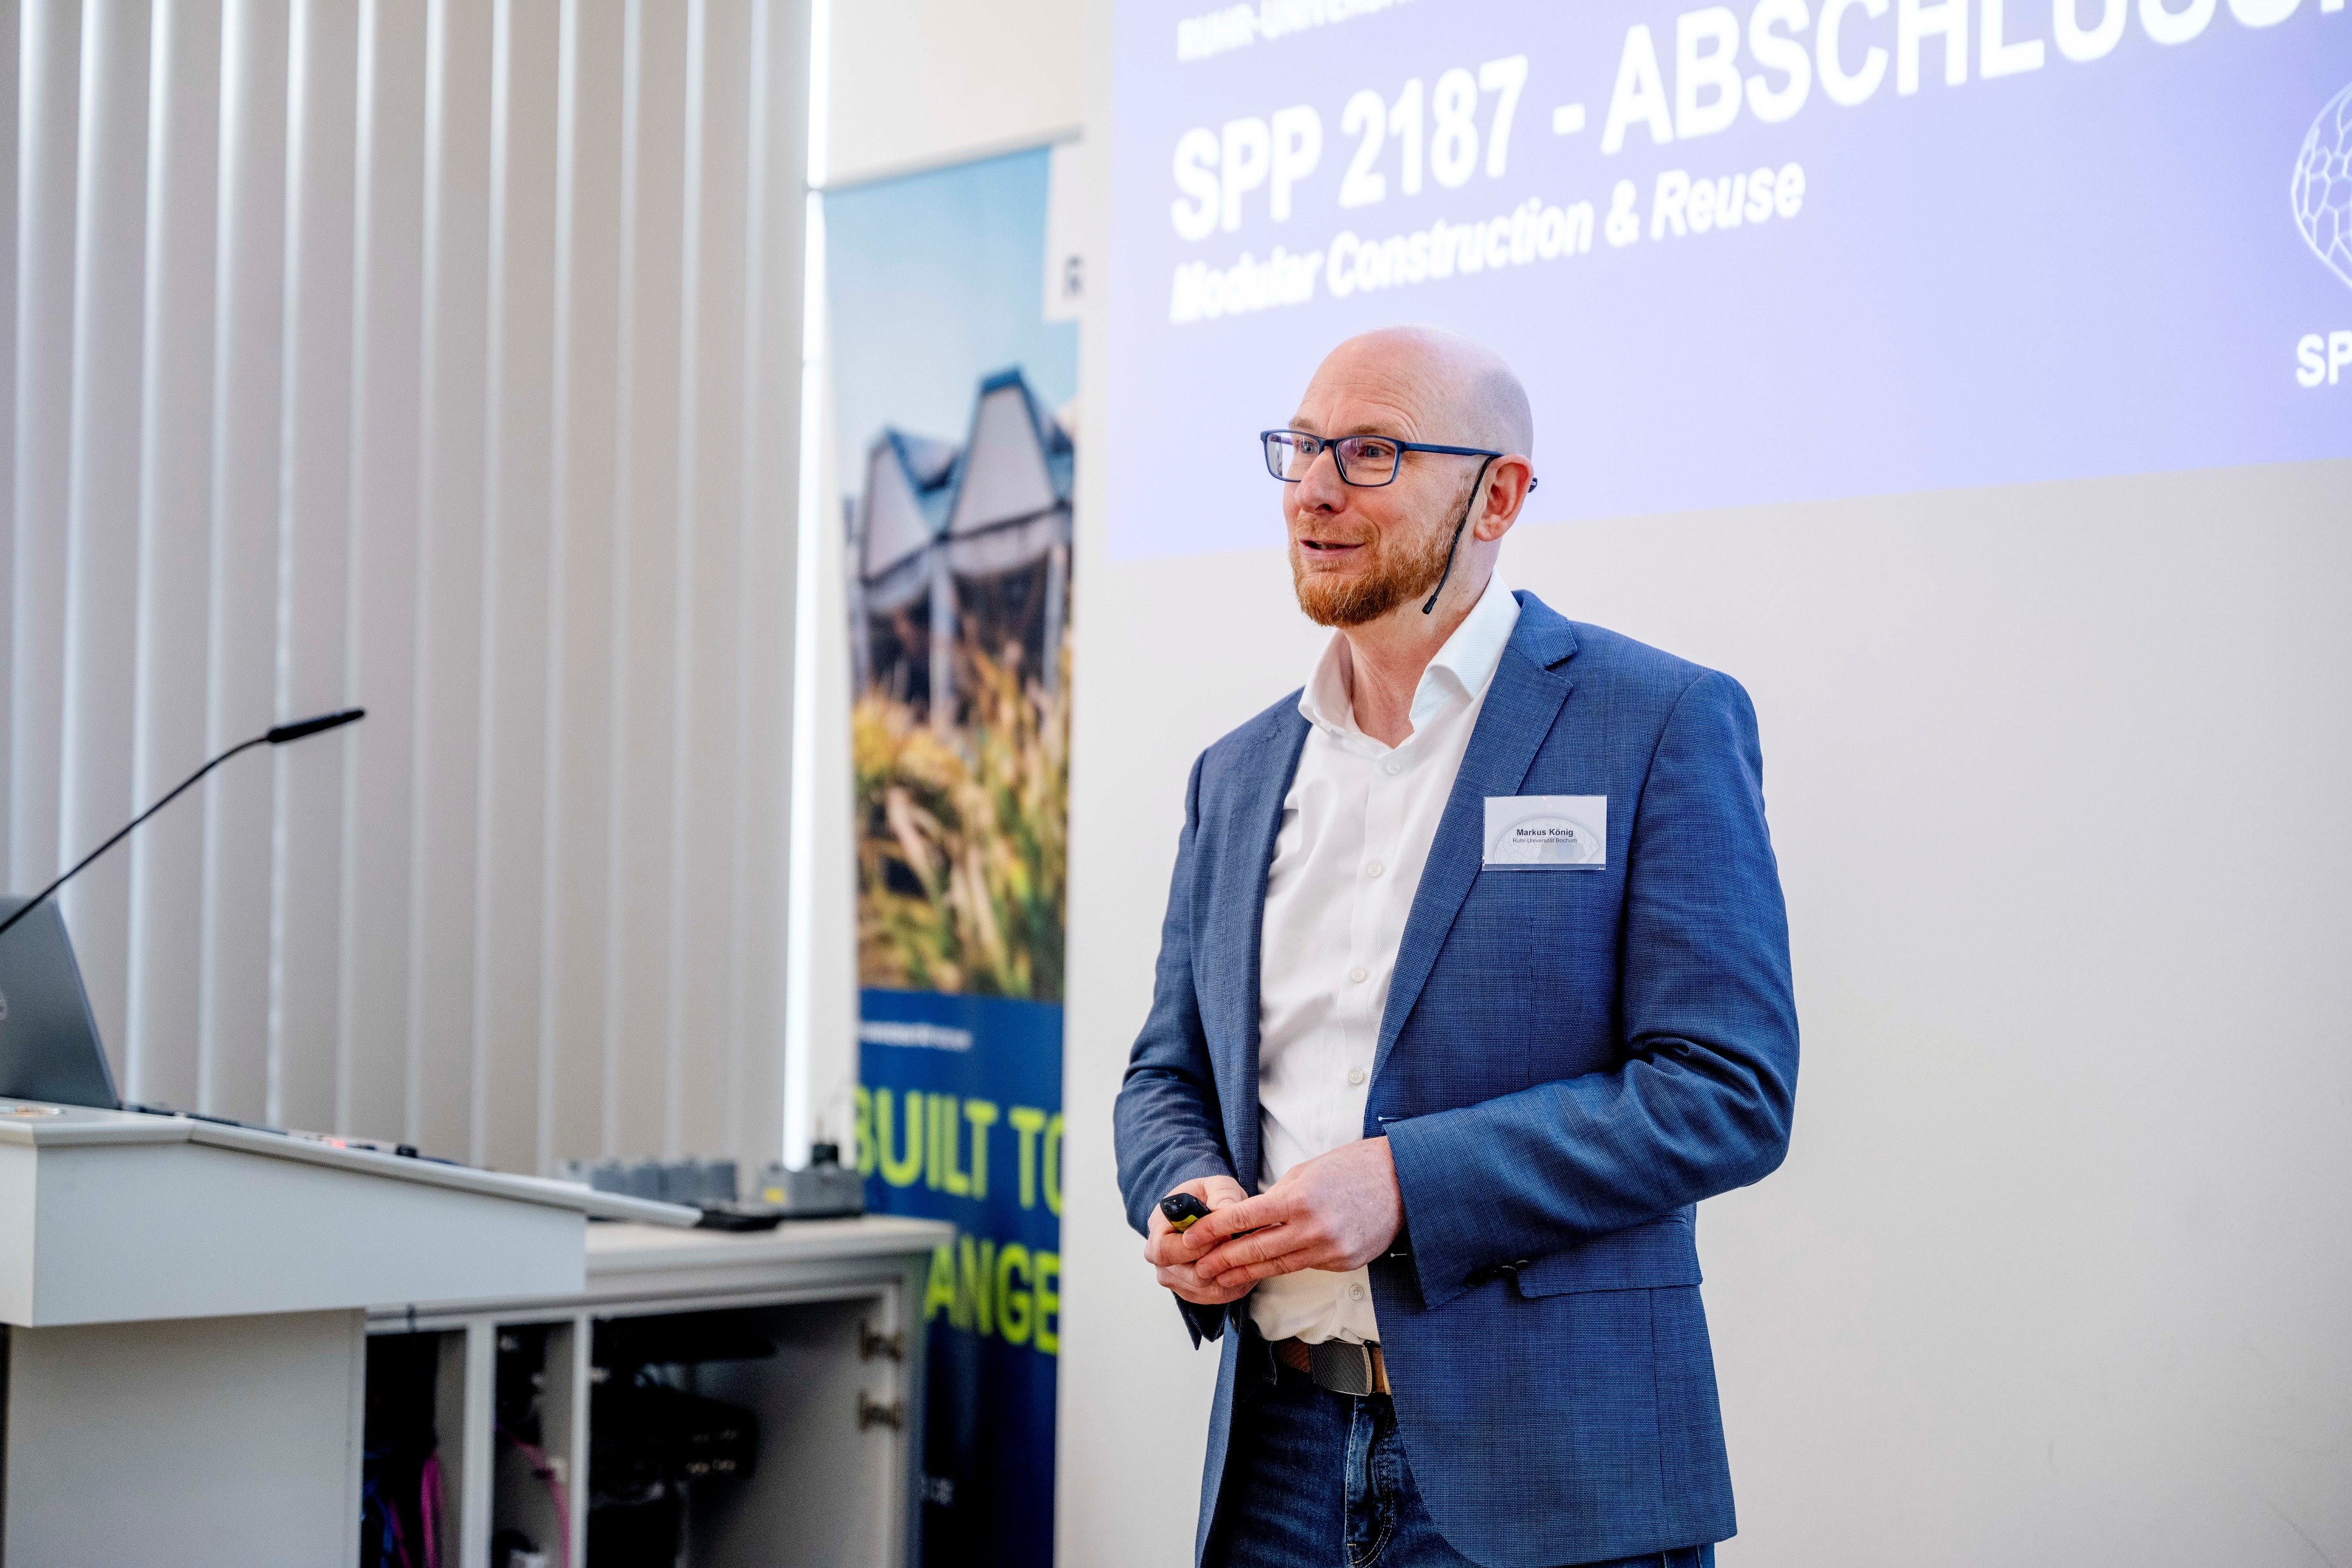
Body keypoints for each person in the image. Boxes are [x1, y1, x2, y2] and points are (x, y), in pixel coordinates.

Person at [1113, 326, 1799, 1568]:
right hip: (1275, 1457)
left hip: (1552, 1468)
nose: (1313, 489)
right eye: (1301, 448)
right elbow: (1167, 1072)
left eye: (1370, 451)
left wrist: (1405, 1186)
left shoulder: (1656, 722)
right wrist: (1187, 1191)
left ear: (1499, 496)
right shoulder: (1237, 771)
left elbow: (1726, 1091)